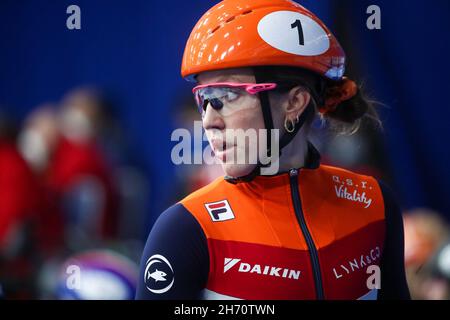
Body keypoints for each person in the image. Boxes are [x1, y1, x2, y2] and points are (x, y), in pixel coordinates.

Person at [136, 0, 410, 300]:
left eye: (226, 95)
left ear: (294, 103)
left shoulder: (373, 204)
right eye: (204, 99)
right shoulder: (186, 229)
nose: (209, 121)